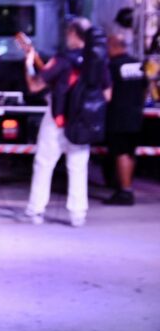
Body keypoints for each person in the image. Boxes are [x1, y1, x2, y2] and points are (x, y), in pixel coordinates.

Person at [22, 18, 110, 227]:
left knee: (44, 164)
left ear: (72, 33)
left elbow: (35, 86)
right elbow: (107, 95)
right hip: (83, 123)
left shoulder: (63, 60)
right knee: (78, 167)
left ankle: (36, 210)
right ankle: (77, 214)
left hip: (57, 120)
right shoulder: (99, 62)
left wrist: (29, 65)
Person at [103, 33, 148, 205]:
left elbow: (108, 92)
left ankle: (125, 191)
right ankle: (126, 185)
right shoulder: (137, 64)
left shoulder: (112, 66)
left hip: (118, 115)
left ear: (114, 45)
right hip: (135, 115)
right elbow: (145, 88)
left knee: (120, 152)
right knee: (130, 152)